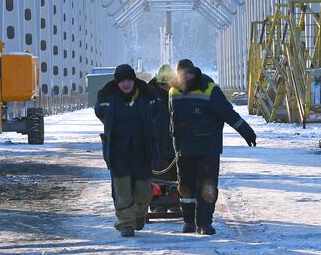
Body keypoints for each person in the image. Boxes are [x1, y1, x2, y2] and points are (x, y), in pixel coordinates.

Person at [169, 59, 257, 235]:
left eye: (188, 73)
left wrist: (246, 132)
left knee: (207, 186)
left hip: (207, 148)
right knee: (185, 187)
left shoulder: (209, 89)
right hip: (184, 149)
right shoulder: (173, 91)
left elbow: (228, 113)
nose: (184, 76)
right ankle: (188, 222)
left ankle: (204, 223)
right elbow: (171, 119)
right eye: (181, 74)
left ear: (194, 73)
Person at [95, 64, 158, 237]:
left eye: (129, 79)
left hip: (142, 150)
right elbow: (99, 113)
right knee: (122, 189)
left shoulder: (147, 95)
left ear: (134, 79)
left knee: (143, 190)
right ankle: (125, 223)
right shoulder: (107, 96)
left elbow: (154, 114)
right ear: (117, 82)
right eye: (122, 80)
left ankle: (138, 214)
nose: (126, 84)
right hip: (118, 151)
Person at [148, 64, 179, 213]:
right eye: (163, 85)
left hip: (174, 144)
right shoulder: (150, 97)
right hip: (156, 145)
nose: (166, 88)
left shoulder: (178, 95)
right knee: (157, 177)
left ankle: (174, 203)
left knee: (175, 176)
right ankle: (157, 204)